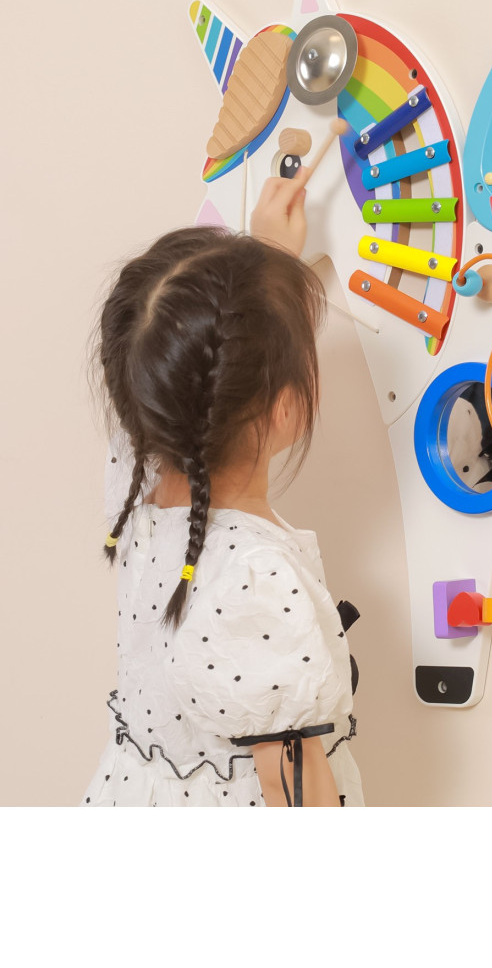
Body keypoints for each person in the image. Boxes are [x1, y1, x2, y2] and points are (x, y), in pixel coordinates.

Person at [81, 171, 364, 807]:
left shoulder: (134, 481)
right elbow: (295, 791)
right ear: (287, 407)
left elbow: (198, 369)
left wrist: (273, 258)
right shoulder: (256, 580)